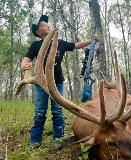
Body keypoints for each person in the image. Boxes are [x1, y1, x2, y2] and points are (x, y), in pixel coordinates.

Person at [21, 15, 97, 150]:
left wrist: (91, 40)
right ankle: (35, 140)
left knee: (57, 110)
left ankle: (58, 138)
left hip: (57, 83)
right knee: (40, 111)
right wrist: (25, 66)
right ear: (38, 32)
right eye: (43, 24)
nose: (47, 25)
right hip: (40, 84)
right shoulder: (35, 45)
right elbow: (26, 60)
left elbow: (76, 45)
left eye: (47, 23)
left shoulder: (60, 42)